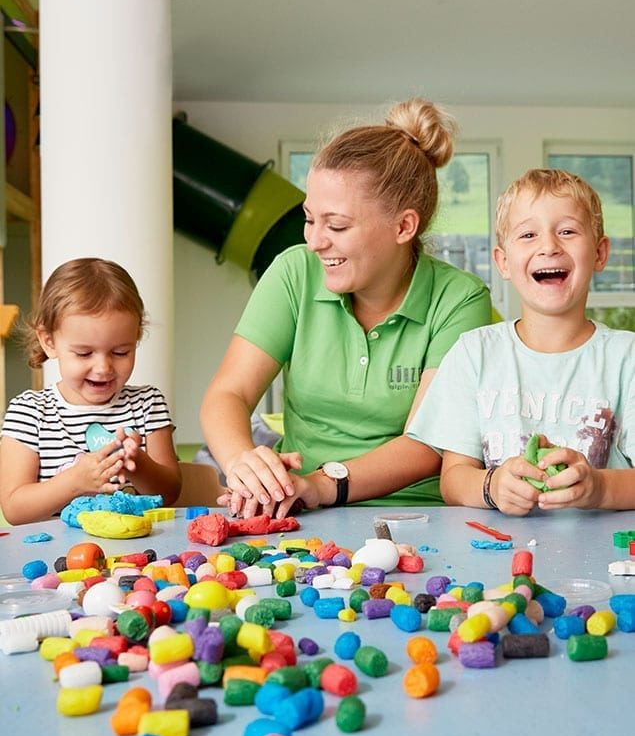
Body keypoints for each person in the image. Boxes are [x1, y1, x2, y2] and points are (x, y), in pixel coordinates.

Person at [200, 97, 492, 519]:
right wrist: (243, 462)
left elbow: (426, 444)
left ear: (403, 226)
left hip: (418, 517)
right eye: (309, 218)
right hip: (299, 510)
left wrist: (319, 485)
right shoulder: (293, 272)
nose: (316, 240)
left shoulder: (459, 299)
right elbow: (228, 393)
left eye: (336, 225)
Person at [407, 168, 635, 515]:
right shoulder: (474, 353)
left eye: (568, 231)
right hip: (496, 553)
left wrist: (599, 487)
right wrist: (492, 486)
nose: (549, 246)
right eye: (528, 234)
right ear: (503, 262)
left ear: (601, 253)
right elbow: (453, 479)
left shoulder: (626, 358)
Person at [0, 258, 181, 524]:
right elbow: (14, 509)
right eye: (84, 353)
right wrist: (74, 482)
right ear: (49, 342)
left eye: (121, 352)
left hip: (135, 555)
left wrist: (138, 464)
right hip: (55, 559)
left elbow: (171, 492)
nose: (103, 367)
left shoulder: (147, 403)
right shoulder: (29, 412)